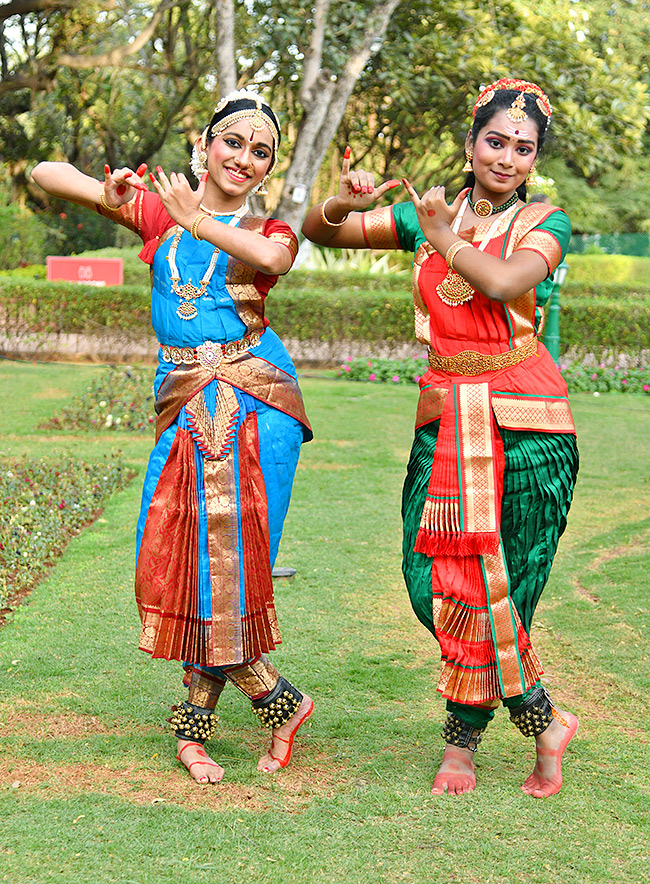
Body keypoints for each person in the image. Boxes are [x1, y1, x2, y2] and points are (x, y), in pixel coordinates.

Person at [302, 78, 578, 798]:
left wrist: (443, 236)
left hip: (526, 425)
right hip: (445, 418)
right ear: (470, 143)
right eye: (495, 141)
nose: (507, 157)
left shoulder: (545, 222)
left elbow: (500, 281)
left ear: (534, 159)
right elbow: (318, 231)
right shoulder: (433, 212)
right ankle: (543, 718)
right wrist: (346, 200)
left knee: (501, 588)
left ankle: (461, 745)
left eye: (523, 148)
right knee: (431, 583)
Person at [33, 90, 314, 785]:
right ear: (205, 143)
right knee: (173, 554)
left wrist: (203, 220)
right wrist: (109, 190)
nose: (244, 159)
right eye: (233, 143)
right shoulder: (161, 211)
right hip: (185, 397)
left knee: (229, 564)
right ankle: (277, 701)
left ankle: (196, 730)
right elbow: (43, 171)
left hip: (254, 402)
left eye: (260, 152)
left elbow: (272, 262)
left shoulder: (270, 228)